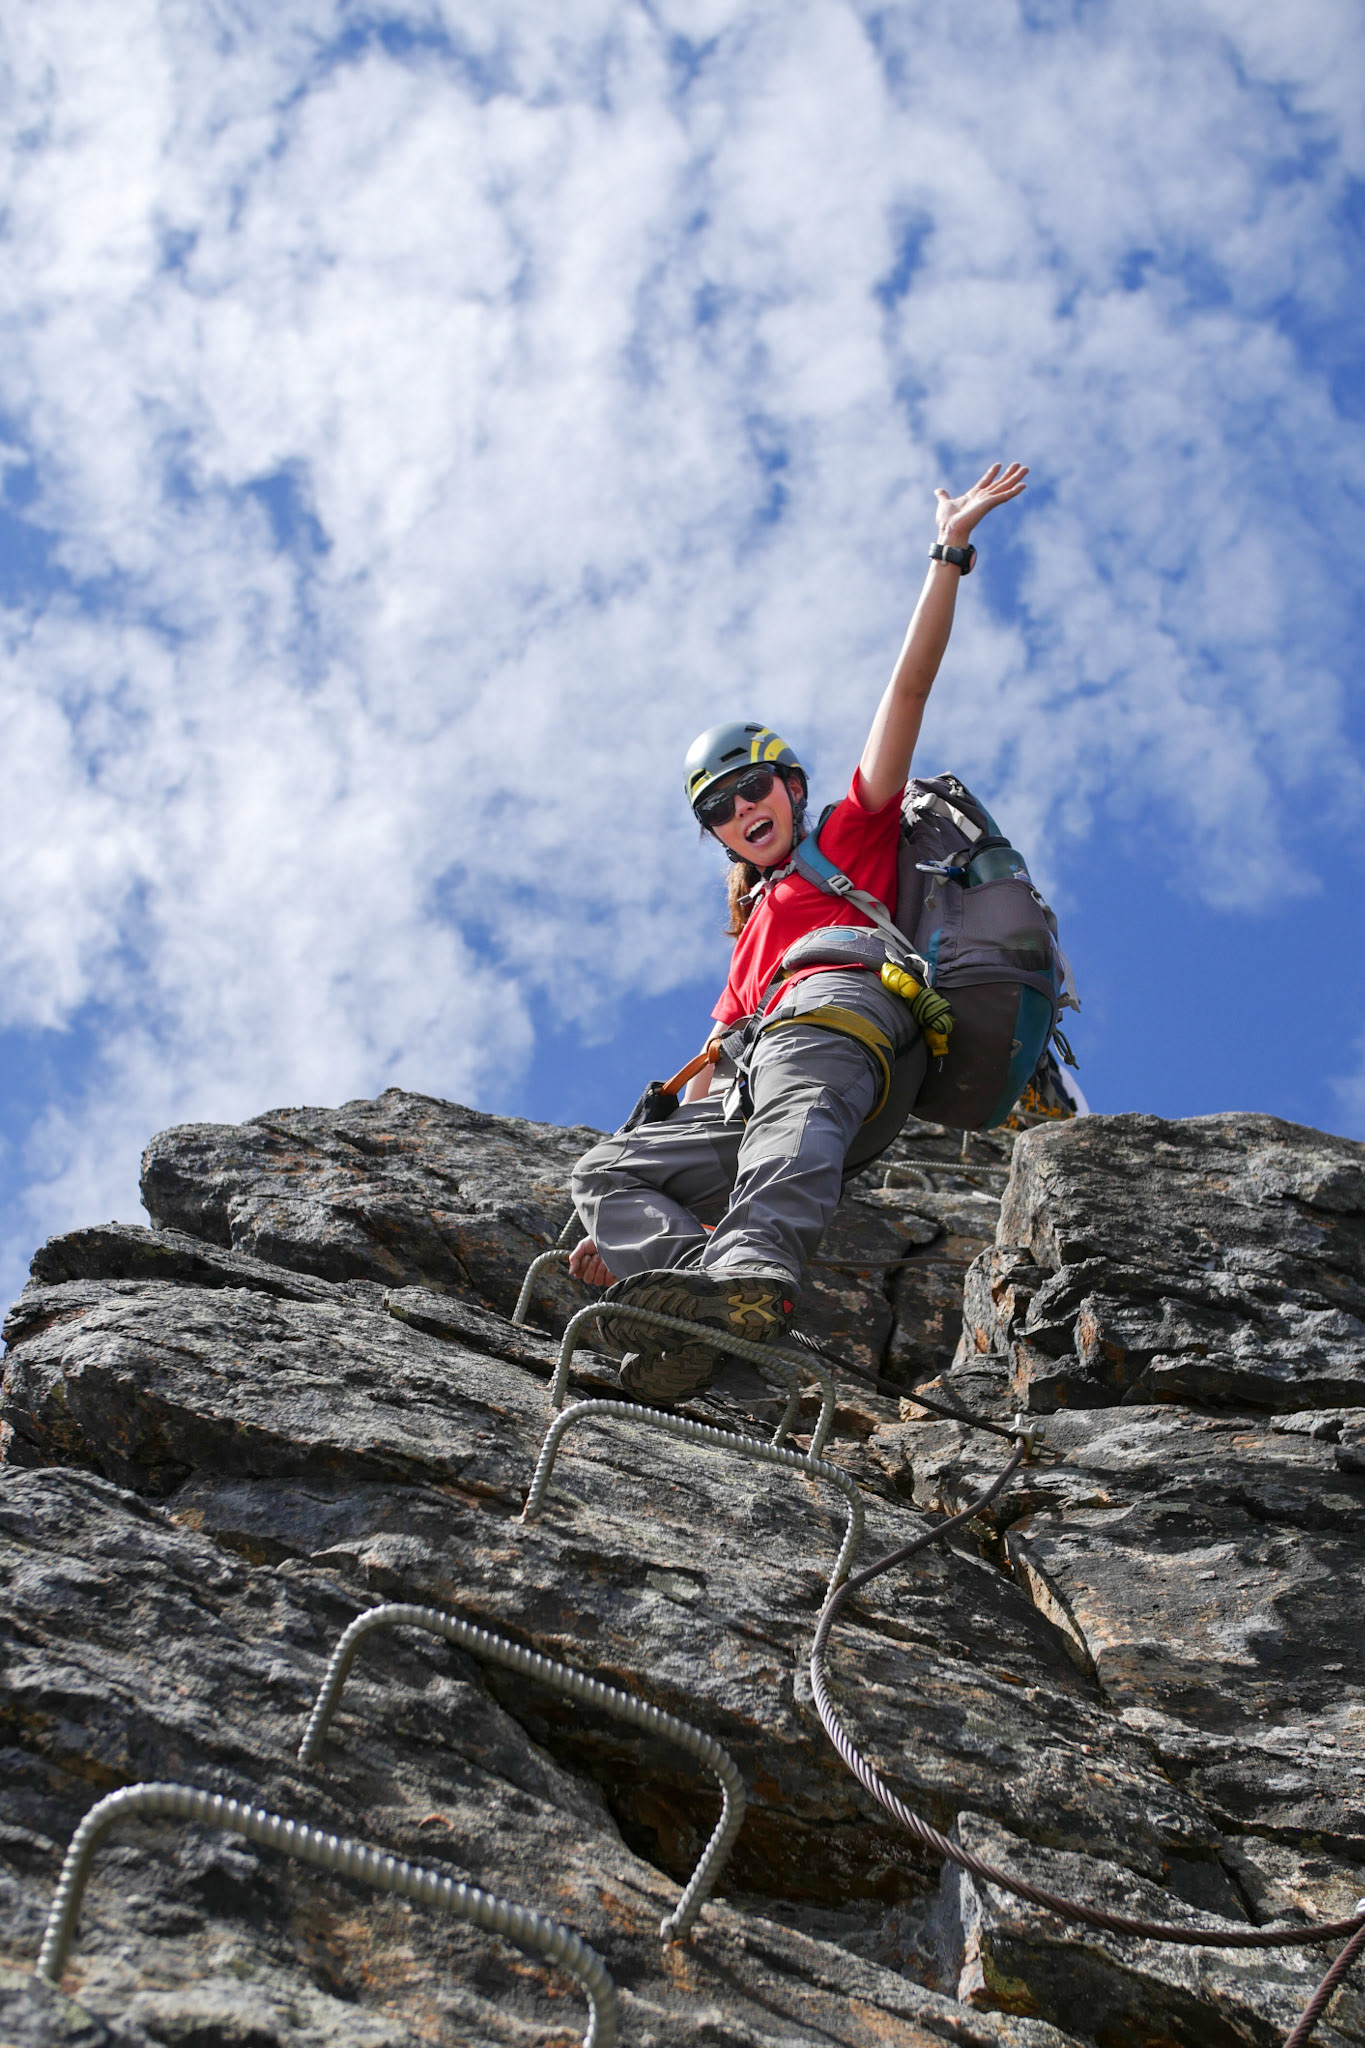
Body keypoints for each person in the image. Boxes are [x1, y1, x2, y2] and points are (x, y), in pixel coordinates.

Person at [568, 462, 1029, 1402]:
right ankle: (703, 1306)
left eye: (752, 787)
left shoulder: (847, 836)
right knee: (606, 1173)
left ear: (791, 786)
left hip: (841, 1015)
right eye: (719, 808)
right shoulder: (751, 934)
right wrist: (628, 1232)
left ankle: (749, 1276)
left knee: (791, 1089)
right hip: (759, 1071)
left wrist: (947, 553)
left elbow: (907, 694)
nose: (741, 809)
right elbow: (716, 1064)